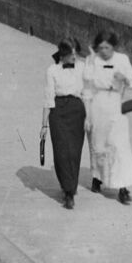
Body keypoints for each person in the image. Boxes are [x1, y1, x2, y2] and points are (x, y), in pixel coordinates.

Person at [83, 31, 132, 205]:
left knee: (119, 145)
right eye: (101, 48)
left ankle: (122, 188)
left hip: (116, 104)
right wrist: (87, 115)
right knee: (98, 145)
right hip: (97, 104)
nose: (104, 51)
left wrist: (124, 78)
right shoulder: (92, 60)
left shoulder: (122, 59)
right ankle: (97, 177)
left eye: (107, 47)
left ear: (113, 46)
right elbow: (86, 87)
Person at [42, 39, 87, 209]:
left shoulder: (82, 67)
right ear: (63, 55)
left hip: (77, 110)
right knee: (62, 152)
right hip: (58, 112)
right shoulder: (52, 70)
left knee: (74, 153)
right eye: (71, 54)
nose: (75, 56)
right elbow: (48, 98)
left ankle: (71, 188)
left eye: (76, 53)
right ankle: (68, 192)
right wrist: (44, 125)